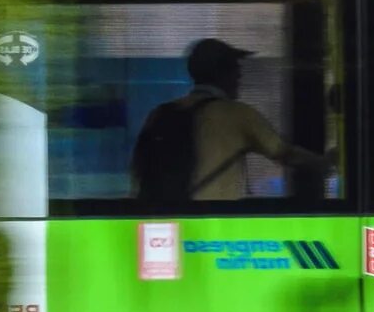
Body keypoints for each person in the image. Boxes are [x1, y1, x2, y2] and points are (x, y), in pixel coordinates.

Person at [130, 37, 330, 202]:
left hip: (169, 223)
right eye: (235, 67)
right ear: (222, 73)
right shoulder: (238, 115)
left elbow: (138, 167)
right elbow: (284, 153)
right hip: (217, 223)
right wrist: (326, 163)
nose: (240, 75)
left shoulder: (160, 113)